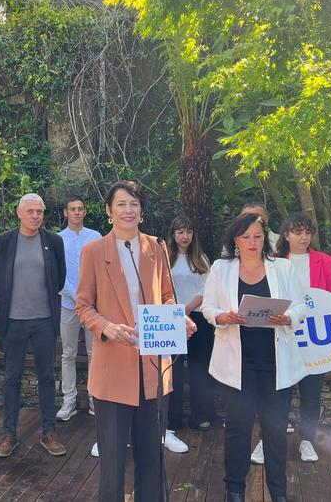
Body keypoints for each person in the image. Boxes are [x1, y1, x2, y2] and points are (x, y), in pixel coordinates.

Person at [76, 180, 196, 502]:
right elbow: (83, 305)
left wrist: (177, 317)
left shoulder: (156, 247)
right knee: (112, 462)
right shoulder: (93, 251)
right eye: (121, 204)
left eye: (133, 204)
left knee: (151, 458)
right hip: (113, 369)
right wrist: (106, 327)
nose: (128, 210)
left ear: (141, 212)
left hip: (153, 370)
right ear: (108, 211)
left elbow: (168, 296)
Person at [202, 212, 307, 502]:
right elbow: (208, 307)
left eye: (257, 236)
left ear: (266, 238)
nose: (252, 242)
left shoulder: (282, 268)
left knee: (275, 430)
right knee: (238, 428)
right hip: (238, 365)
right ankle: (234, 489)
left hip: (275, 363)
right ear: (235, 239)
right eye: (245, 237)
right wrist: (222, 316)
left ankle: (278, 491)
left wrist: (287, 318)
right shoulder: (221, 268)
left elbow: (301, 306)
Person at [0, 193, 67, 458]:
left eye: (40, 211)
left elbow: (59, 278)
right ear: (19, 213)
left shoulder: (54, 242)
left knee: (46, 376)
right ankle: (9, 434)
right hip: (14, 321)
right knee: (11, 378)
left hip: (44, 321)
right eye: (31, 211)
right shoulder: (4, 242)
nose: (36, 216)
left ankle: (49, 432)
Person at [273, 212, 331, 463]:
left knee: (312, 394)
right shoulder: (274, 262)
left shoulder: (325, 261)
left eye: (307, 232)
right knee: (278, 392)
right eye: (298, 232)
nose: (303, 237)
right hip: (283, 337)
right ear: (286, 234)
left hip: (315, 338)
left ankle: (307, 441)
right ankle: (267, 439)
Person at [165, 215, 214, 453]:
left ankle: (200, 417)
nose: (185, 236)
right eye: (180, 232)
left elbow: (206, 290)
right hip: (170, 318)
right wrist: (175, 311)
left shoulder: (201, 259)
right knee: (172, 370)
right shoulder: (165, 258)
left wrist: (186, 309)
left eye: (189, 232)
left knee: (198, 369)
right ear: (173, 235)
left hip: (197, 319)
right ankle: (171, 421)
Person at [56, 195, 101, 422]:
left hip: (93, 306)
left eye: (80, 209)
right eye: (72, 209)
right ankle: (69, 400)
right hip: (67, 304)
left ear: (85, 212)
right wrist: (75, 296)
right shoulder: (57, 239)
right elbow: (58, 273)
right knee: (68, 354)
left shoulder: (95, 237)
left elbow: (101, 271)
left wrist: (88, 298)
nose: (76, 212)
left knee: (95, 353)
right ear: (65, 212)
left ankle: (95, 398)